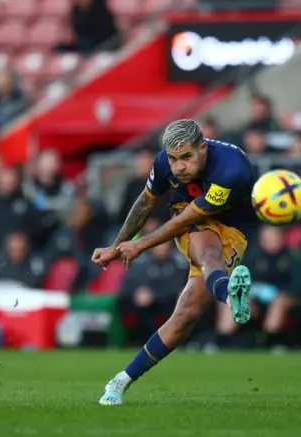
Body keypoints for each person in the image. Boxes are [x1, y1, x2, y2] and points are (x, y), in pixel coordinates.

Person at [91, 119, 257, 405]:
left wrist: (141, 244)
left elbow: (189, 218)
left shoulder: (232, 169)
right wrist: (116, 246)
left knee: (185, 316)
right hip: (189, 216)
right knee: (208, 255)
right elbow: (146, 201)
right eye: (173, 159)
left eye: (187, 158)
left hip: (231, 227)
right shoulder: (164, 161)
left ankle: (121, 379)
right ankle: (230, 294)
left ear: (202, 148)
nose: (179, 167)